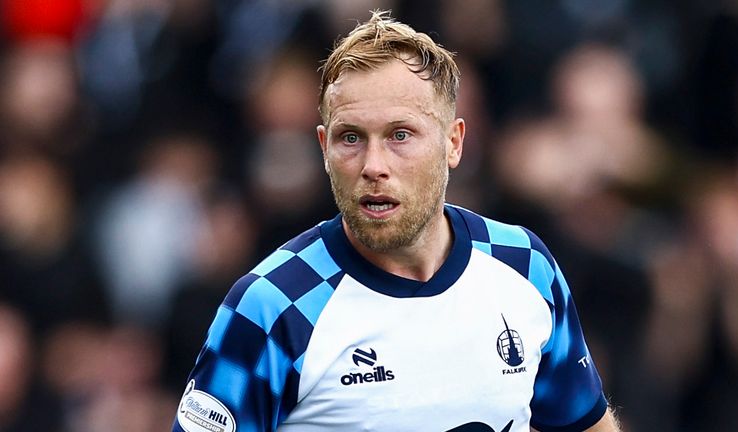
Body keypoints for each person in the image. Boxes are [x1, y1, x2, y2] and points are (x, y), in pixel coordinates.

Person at [172, 11, 620, 432]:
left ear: (453, 143)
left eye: (400, 135)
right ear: (324, 149)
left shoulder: (523, 265)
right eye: (350, 138)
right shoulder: (272, 307)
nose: (373, 165)